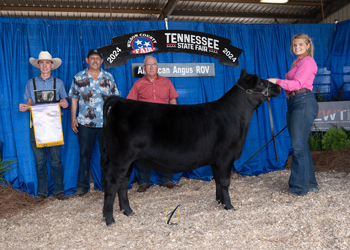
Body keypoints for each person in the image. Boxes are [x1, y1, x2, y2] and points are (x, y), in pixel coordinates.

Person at [268, 33, 319, 196]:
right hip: (294, 102)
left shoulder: (308, 61)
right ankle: (310, 184)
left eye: (300, 45)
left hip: (303, 101)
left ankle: (298, 188)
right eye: (295, 45)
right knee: (301, 145)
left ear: (307, 46)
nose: (297, 47)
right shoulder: (296, 63)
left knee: (297, 147)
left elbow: (297, 84)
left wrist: (277, 81)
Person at [19, 51, 68, 202]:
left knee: (56, 160)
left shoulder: (58, 83)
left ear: (52, 65)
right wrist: (25, 106)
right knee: (40, 161)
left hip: (53, 127)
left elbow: (64, 102)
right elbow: (29, 102)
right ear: (38, 65)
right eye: (42, 63)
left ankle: (59, 191)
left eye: (47, 63)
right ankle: (42, 193)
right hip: (37, 126)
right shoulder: (30, 83)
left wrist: (65, 103)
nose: (45, 65)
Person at [69, 49, 119, 196]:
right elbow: (74, 98)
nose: (95, 60)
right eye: (92, 58)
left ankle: (106, 184)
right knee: (84, 154)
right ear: (87, 60)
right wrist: (73, 118)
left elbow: (115, 100)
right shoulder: (79, 77)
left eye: (98, 58)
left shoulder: (108, 77)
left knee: (107, 154)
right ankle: (81, 187)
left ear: (101, 61)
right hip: (85, 123)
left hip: (106, 124)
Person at [127, 56, 179, 192]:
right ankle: (144, 182)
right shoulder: (138, 84)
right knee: (144, 152)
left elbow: (173, 100)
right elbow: (130, 105)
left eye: (153, 65)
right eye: (148, 65)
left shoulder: (167, 82)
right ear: (143, 68)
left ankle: (167, 179)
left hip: (165, 122)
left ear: (157, 67)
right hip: (145, 124)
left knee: (167, 150)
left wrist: (174, 119)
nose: (151, 67)